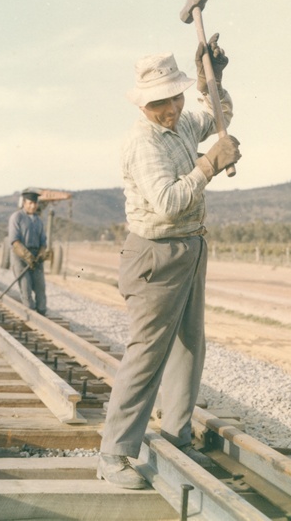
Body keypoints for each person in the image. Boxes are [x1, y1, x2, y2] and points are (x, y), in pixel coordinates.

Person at [97, 36, 241, 489]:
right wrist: (208, 165)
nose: (171, 109)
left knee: (188, 346)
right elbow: (167, 202)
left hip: (190, 248)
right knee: (146, 353)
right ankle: (113, 454)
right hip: (156, 254)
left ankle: (177, 436)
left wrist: (210, 84)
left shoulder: (179, 122)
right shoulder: (143, 142)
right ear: (143, 104)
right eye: (160, 103)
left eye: (176, 98)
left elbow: (221, 116)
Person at [7, 189, 50, 315]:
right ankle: (30, 314)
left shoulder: (38, 220)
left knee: (40, 286)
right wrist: (27, 256)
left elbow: (43, 241)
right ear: (24, 203)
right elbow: (14, 241)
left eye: (35, 203)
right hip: (20, 256)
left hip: (36, 258)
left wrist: (41, 253)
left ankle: (42, 312)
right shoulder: (17, 217)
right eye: (30, 203)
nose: (33, 206)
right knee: (25, 287)